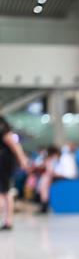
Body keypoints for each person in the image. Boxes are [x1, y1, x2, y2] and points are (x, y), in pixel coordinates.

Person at [0, 98, 28, 229]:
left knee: (4, 191)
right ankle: (7, 221)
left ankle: (8, 222)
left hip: (4, 160)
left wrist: (21, 158)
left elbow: (11, 141)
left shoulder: (1, 122)